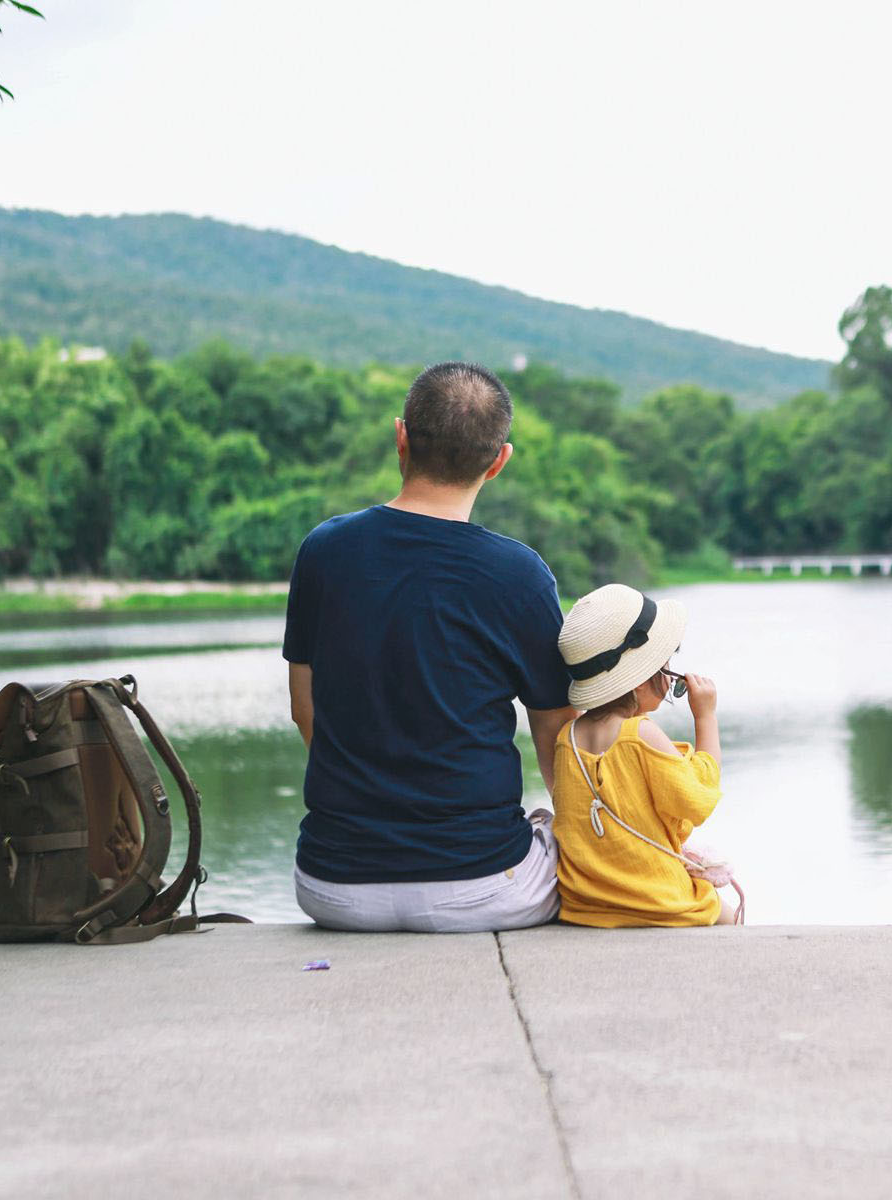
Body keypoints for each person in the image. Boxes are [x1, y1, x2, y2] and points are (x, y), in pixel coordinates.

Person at [282, 361, 577, 933]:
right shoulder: (519, 574)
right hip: (484, 886)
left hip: (333, 887)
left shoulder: (324, 551)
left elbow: (305, 710)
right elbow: (558, 731)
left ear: (401, 437)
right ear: (499, 461)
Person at [549, 583, 738, 927]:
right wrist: (705, 717)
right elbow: (698, 802)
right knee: (730, 919)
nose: (670, 682)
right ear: (638, 681)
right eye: (666, 670)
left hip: (585, 904)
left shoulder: (567, 739)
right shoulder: (641, 735)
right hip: (654, 899)